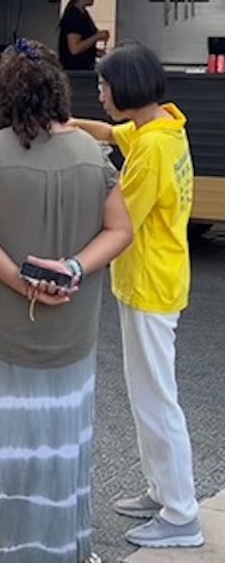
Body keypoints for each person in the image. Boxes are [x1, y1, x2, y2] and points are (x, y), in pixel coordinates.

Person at [0, 38, 133, 563]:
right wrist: (74, 267)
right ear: (60, 91)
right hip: (72, 332)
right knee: (62, 449)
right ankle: (61, 548)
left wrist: (20, 280)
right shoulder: (93, 152)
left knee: (2, 451)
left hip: (2, 329)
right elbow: (120, 229)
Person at [72, 42, 204, 549]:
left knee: (156, 400)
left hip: (150, 284)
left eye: (103, 86)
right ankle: (160, 490)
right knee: (146, 393)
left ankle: (181, 513)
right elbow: (108, 132)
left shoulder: (151, 149)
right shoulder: (164, 126)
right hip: (156, 279)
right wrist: (67, 122)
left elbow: (119, 219)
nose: (100, 94)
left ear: (125, 86)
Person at [58, 0, 110, 71]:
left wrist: (96, 52)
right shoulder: (74, 16)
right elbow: (74, 49)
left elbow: (83, 45)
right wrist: (96, 37)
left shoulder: (83, 14)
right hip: (75, 70)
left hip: (85, 67)